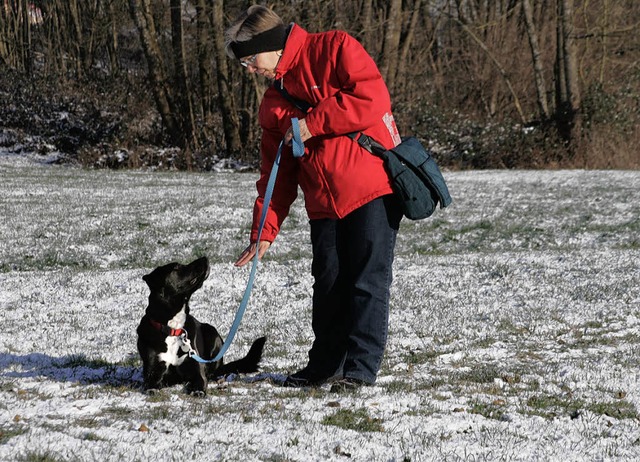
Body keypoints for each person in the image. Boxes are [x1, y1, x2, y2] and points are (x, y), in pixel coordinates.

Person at [226, 5, 403, 391]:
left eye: (251, 60)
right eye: (244, 66)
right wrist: (264, 232)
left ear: (270, 45)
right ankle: (324, 365)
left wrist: (310, 124)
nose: (250, 70)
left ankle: (359, 369)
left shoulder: (334, 48)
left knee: (367, 281)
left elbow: (372, 98)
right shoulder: (271, 105)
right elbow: (275, 175)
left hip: (371, 187)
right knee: (328, 283)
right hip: (323, 202)